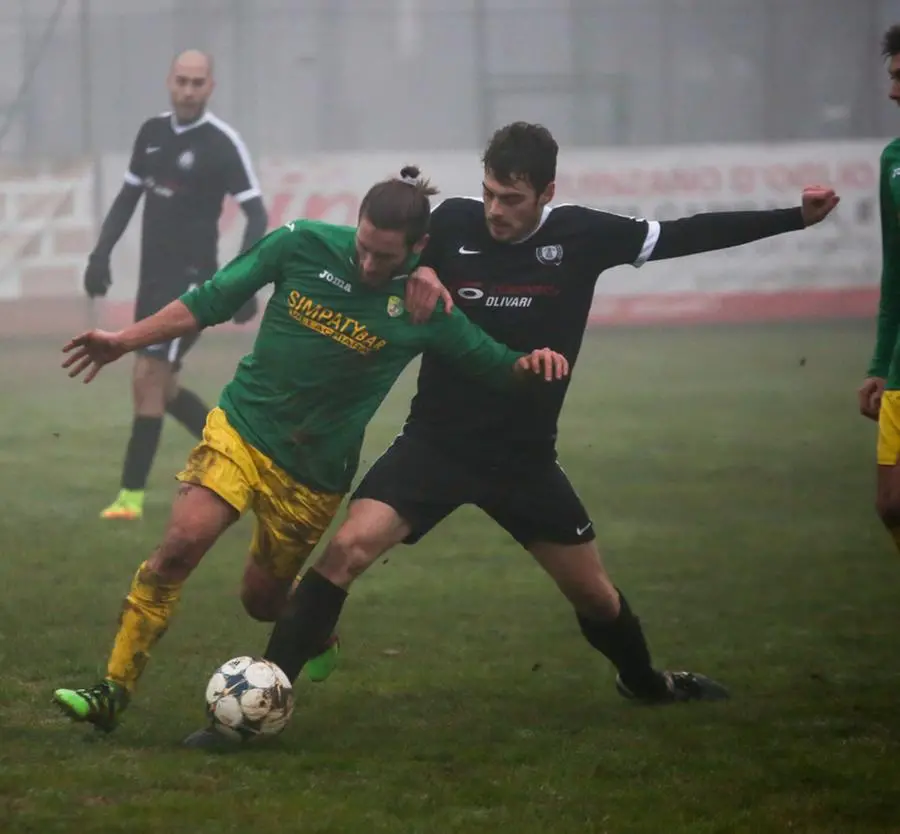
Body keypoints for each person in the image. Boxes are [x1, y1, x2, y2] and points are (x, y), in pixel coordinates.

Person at [185, 121, 840, 747]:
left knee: (594, 594)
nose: (497, 211)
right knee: (345, 553)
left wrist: (795, 216)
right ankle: (262, 705)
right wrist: (425, 268)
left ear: (547, 194)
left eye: (513, 199)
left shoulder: (585, 236)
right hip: (434, 444)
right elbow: (388, 244)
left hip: (524, 461)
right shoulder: (451, 225)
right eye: (491, 192)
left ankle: (645, 683)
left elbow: (683, 234)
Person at [51, 166, 570, 734]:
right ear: (357, 227)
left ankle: (318, 630)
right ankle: (112, 689)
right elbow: (211, 299)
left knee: (262, 598)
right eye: (364, 248)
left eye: (387, 257)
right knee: (181, 543)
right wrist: (121, 342)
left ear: (419, 249)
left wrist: (532, 365)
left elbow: (495, 365)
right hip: (243, 429)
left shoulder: (424, 310)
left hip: (313, 475)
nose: (369, 265)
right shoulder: (302, 244)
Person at [85, 49, 269, 521]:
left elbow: (257, 212)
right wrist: (100, 253)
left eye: (197, 82)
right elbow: (128, 198)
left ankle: (130, 499)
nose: (188, 90)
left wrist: (243, 282)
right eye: (181, 81)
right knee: (161, 390)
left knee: (148, 378)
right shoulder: (150, 134)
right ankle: (247, 463)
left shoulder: (223, 144)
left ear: (211, 86)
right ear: (169, 82)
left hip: (194, 286)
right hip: (152, 282)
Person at [860, 24, 900, 554]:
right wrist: (878, 363)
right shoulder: (893, 160)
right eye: (893, 78)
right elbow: (895, 271)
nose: (893, 92)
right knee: (891, 504)